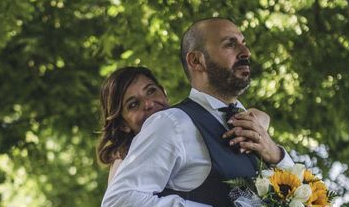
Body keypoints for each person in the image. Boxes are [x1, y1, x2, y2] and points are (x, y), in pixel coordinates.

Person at [101, 18, 294, 207]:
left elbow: (302, 196)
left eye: (244, 43)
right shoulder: (170, 123)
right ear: (196, 60)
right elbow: (118, 201)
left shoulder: (249, 121)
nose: (246, 52)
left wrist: (277, 155)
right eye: (230, 44)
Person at [97, 66, 271, 184]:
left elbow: (258, 116)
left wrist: (256, 123)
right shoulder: (125, 161)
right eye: (133, 104)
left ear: (164, 93)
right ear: (123, 125)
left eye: (151, 91)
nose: (148, 103)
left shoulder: (185, 122)